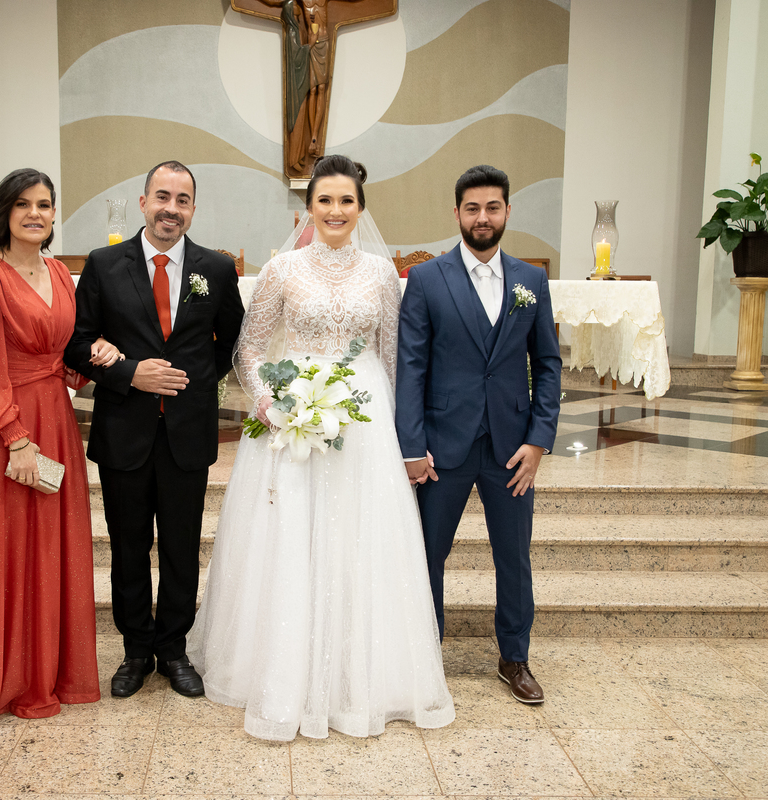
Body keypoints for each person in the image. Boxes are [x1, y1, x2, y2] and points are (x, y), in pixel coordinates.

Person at [186, 154, 455, 741]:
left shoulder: (382, 274)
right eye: (325, 200)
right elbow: (248, 348)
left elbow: (392, 357)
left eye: (346, 201)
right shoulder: (282, 269)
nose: (336, 210)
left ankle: (362, 677)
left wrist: (401, 435)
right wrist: (269, 401)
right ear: (308, 207)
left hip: (364, 420)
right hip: (294, 415)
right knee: (290, 537)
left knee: (361, 536)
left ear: (361, 207)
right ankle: (283, 671)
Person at [66, 160, 245, 700]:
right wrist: (130, 374)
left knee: (181, 547)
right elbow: (77, 343)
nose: (172, 208)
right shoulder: (103, 264)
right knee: (128, 546)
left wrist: (190, 383)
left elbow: (232, 343)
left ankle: (173, 649)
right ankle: (135, 651)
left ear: (193, 208)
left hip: (187, 432)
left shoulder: (217, 269)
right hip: (125, 430)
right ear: (143, 202)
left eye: (182, 200)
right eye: (162, 197)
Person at [0, 168, 120, 732]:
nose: (35, 214)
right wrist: (15, 438)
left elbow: (64, 352)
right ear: (3, 212)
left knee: (51, 549)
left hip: (56, 419)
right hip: (7, 429)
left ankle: (48, 675)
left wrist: (93, 355)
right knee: (5, 550)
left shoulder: (59, 273)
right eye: (23, 204)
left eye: (44, 205)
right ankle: (2, 682)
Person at [395, 164, 561, 705]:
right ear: (457, 213)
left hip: (512, 447)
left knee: (514, 557)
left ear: (507, 211)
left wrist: (538, 441)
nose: (482, 217)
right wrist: (412, 447)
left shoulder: (531, 281)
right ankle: (426, 657)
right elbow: (411, 367)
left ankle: (515, 658)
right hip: (442, 446)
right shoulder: (426, 279)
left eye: (492, 207)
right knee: (428, 555)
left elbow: (548, 365)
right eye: (472, 208)